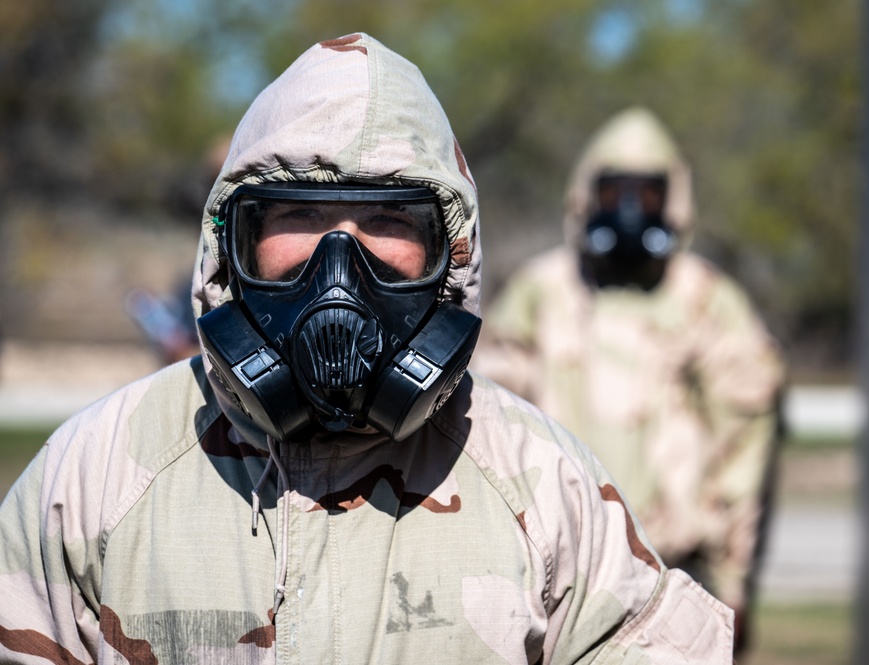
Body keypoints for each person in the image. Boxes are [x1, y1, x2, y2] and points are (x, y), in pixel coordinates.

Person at [0, 36, 734, 663]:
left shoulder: (546, 488)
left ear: (448, 254)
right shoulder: (91, 481)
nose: (338, 264)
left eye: (388, 217)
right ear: (232, 243)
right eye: (296, 212)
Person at [473, 106, 786, 655]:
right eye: (614, 194)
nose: (627, 212)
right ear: (585, 196)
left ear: (675, 201)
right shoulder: (541, 292)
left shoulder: (708, 300)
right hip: (557, 563)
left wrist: (733, 579)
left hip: (676, 569)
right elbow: (485, 420)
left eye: (646, 197)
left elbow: (746, 438)